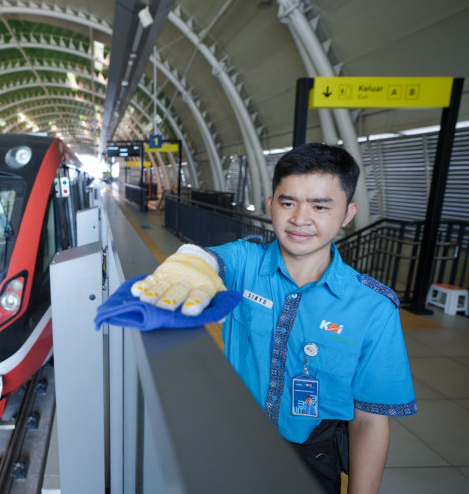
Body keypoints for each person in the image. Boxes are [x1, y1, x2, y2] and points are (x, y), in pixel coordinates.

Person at [131, 143, 417, 493]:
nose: (300, 219)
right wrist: (191, 262)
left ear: (347, 213)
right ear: (271, 205)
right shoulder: (247, 262)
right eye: (288, 202)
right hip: (231, 445)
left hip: (313, 459)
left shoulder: (373, 307)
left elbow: (370, 421)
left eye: (320, 206)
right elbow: (209, 258)